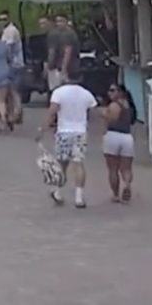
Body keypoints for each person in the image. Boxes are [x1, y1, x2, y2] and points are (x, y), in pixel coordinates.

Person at [38, 77, 96, 208]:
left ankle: (58, 192)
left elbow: (52, 112)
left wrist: (43, 129)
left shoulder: (59, 92)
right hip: (80, 132)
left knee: (62, 165)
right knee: (78, 163)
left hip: (64, 131)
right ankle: (79, 198)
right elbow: (91, 111)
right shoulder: (86, 93)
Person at [102, 84, 139, 203]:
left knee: (113, 168)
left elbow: (112, 119)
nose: (109, 93)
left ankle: (115, 194)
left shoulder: (114, 105)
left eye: (112, 90)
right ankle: (127, 184)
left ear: (120, 92)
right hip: (127, 137)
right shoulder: (128, 105)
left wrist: (104, 114)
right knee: (126, 168)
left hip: (113, 135)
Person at [44, 15, 80, 89]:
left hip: (65, 67)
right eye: (57, 21)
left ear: (66, 21)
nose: (59, 23)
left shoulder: (68, 34)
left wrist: (63, 69)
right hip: (63, 66)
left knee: (58, 89)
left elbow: (67, 52)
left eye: (61, 21)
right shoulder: (57, 34)